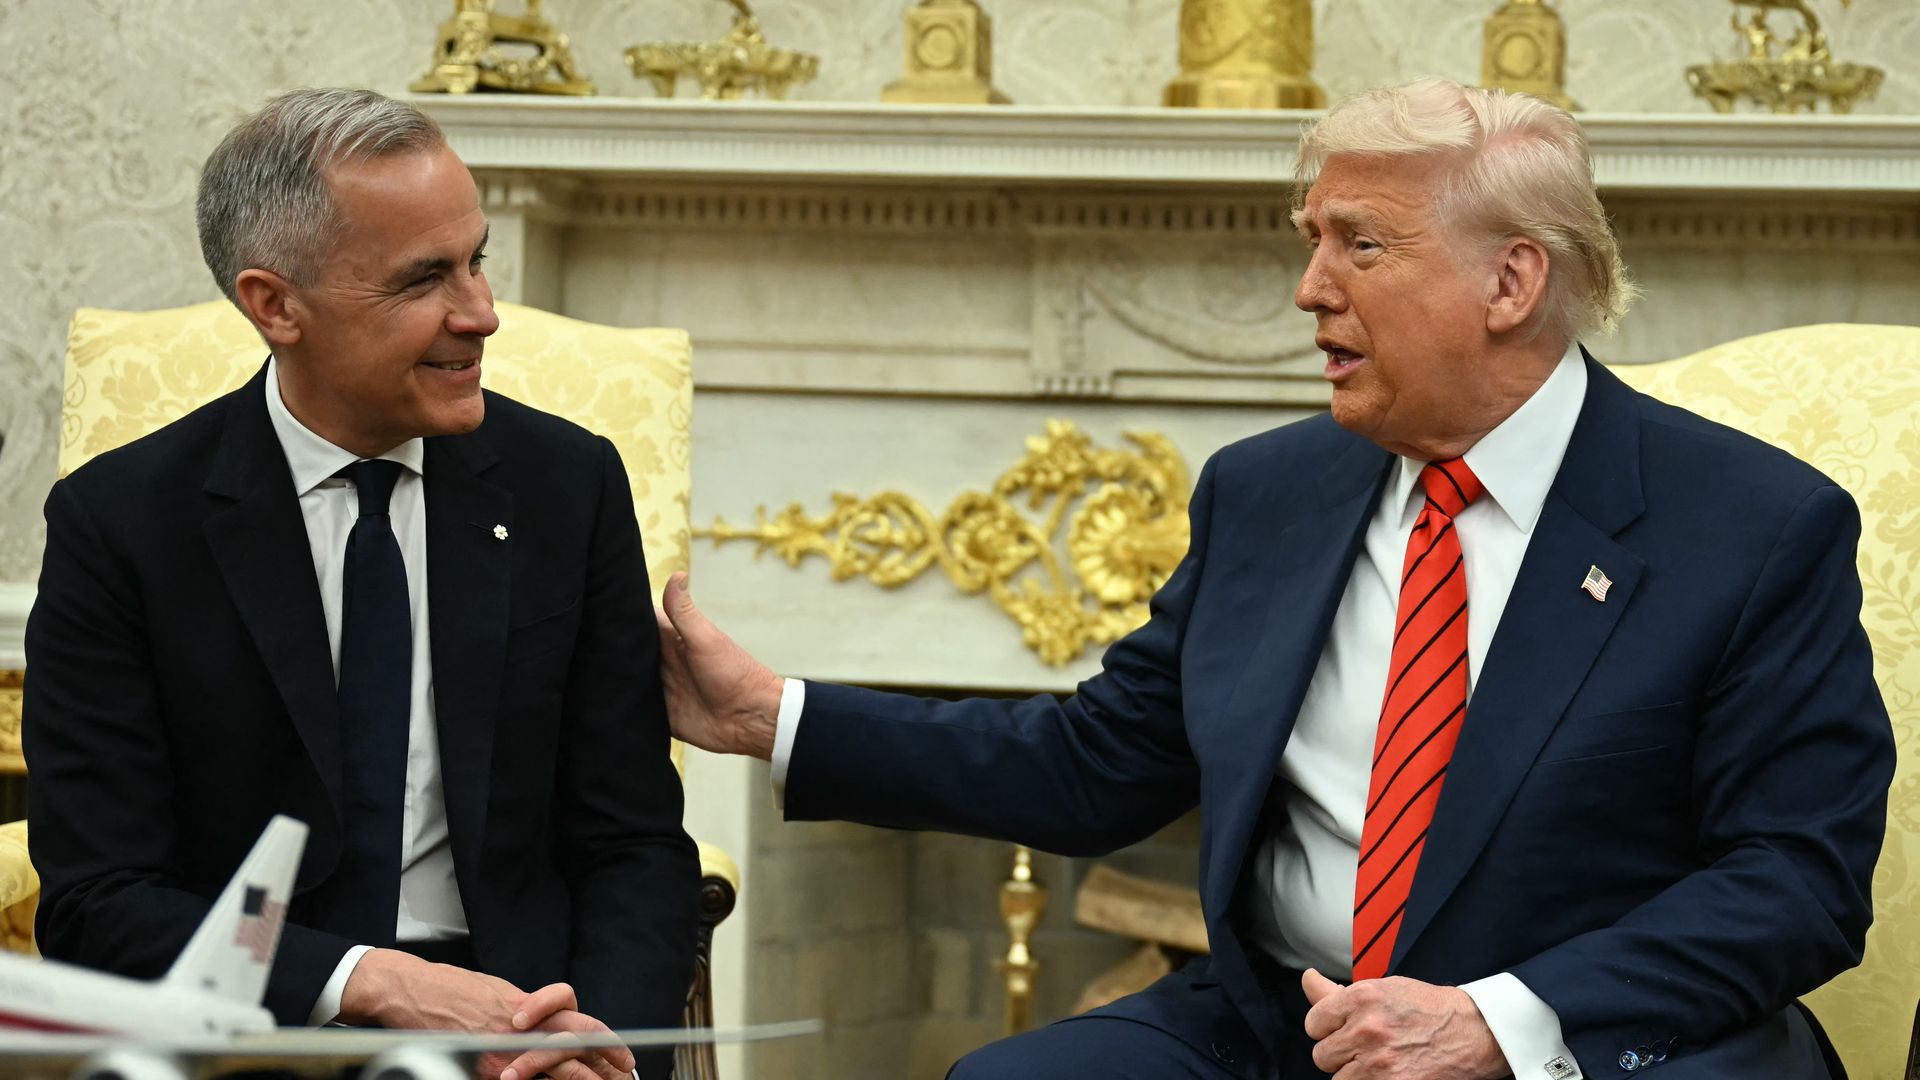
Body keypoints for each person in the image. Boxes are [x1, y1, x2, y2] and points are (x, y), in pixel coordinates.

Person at [657, 78, 1892, 1079]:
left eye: (1361, 246)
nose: (1310, 291)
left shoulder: (1750, 527)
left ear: (1510, 283)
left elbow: (1797, 883)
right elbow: (1099, 765)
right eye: (1313, 243)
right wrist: (771, 717)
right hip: (1287, 1031)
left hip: (1580, 1041)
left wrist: (1498, 1024)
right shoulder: (1270, 492)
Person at [25, 88, 696, 1080]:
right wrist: (362, 977)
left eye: (476, 260)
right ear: (274, 304)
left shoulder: (567, 484)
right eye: (425, 278)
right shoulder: (122, 524)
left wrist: (599, 1046)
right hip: (255, 1035)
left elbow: (631, 843)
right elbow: (100, 899)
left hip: (522, 1032)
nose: (482, 314)